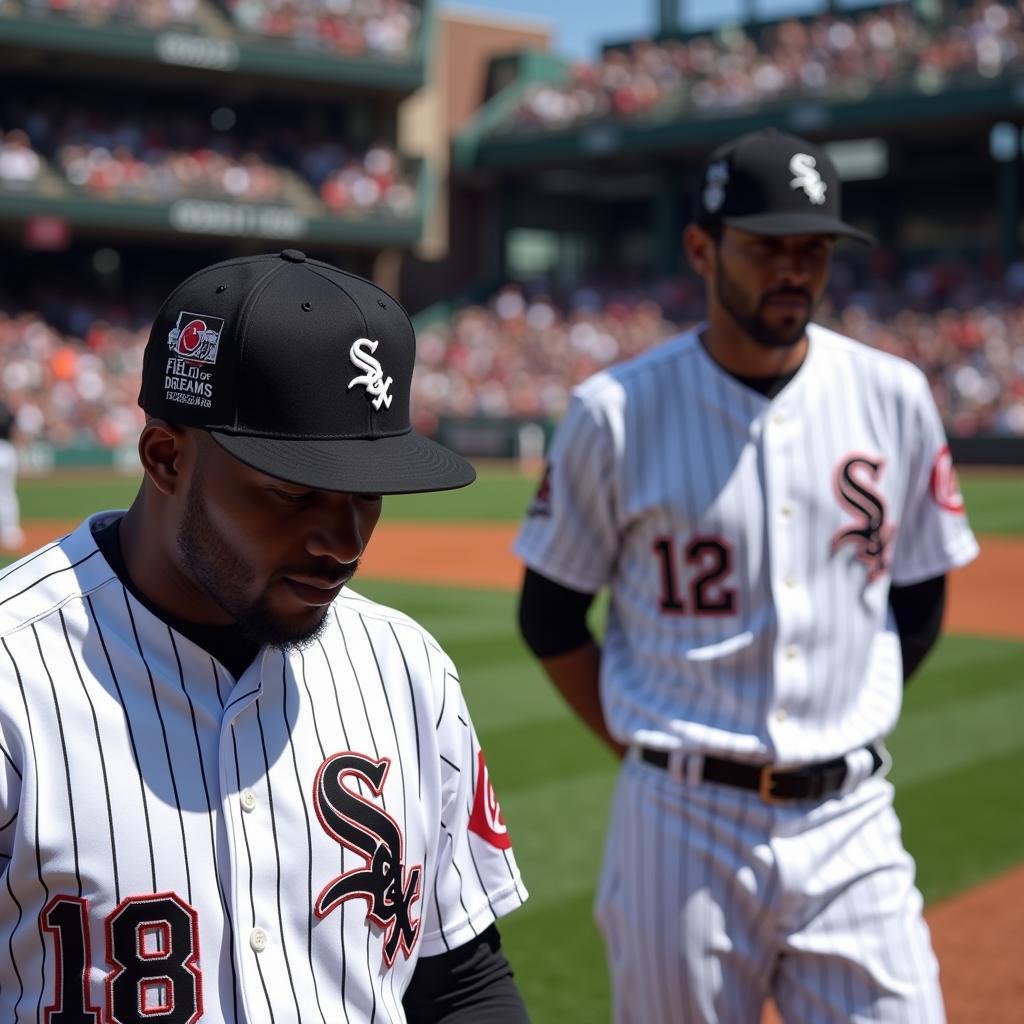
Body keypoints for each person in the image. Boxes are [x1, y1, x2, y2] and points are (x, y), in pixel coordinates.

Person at [514, 129, 978, 1023]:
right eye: (768, 248)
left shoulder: (893, 396)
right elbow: (550, 614)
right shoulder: (614, 413)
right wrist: (649, 755)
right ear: (701, 248)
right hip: (678, 827)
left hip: (852, 820)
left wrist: (839, 718)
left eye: (813, 251)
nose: (794, 271)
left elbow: (919, 594)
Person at [0, 249, 530, 1023]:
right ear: (165, 457)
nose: (343, 541)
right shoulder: (15, 671)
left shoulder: (407, 667)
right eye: (293, 493)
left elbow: (460, 983)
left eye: (367, 494)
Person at [0, 393, 24, 551]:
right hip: (8, 451)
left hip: (4, 451)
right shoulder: (8, 409)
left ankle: (9, 532)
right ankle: (11, 532)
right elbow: (16, 433)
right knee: (7, 492)